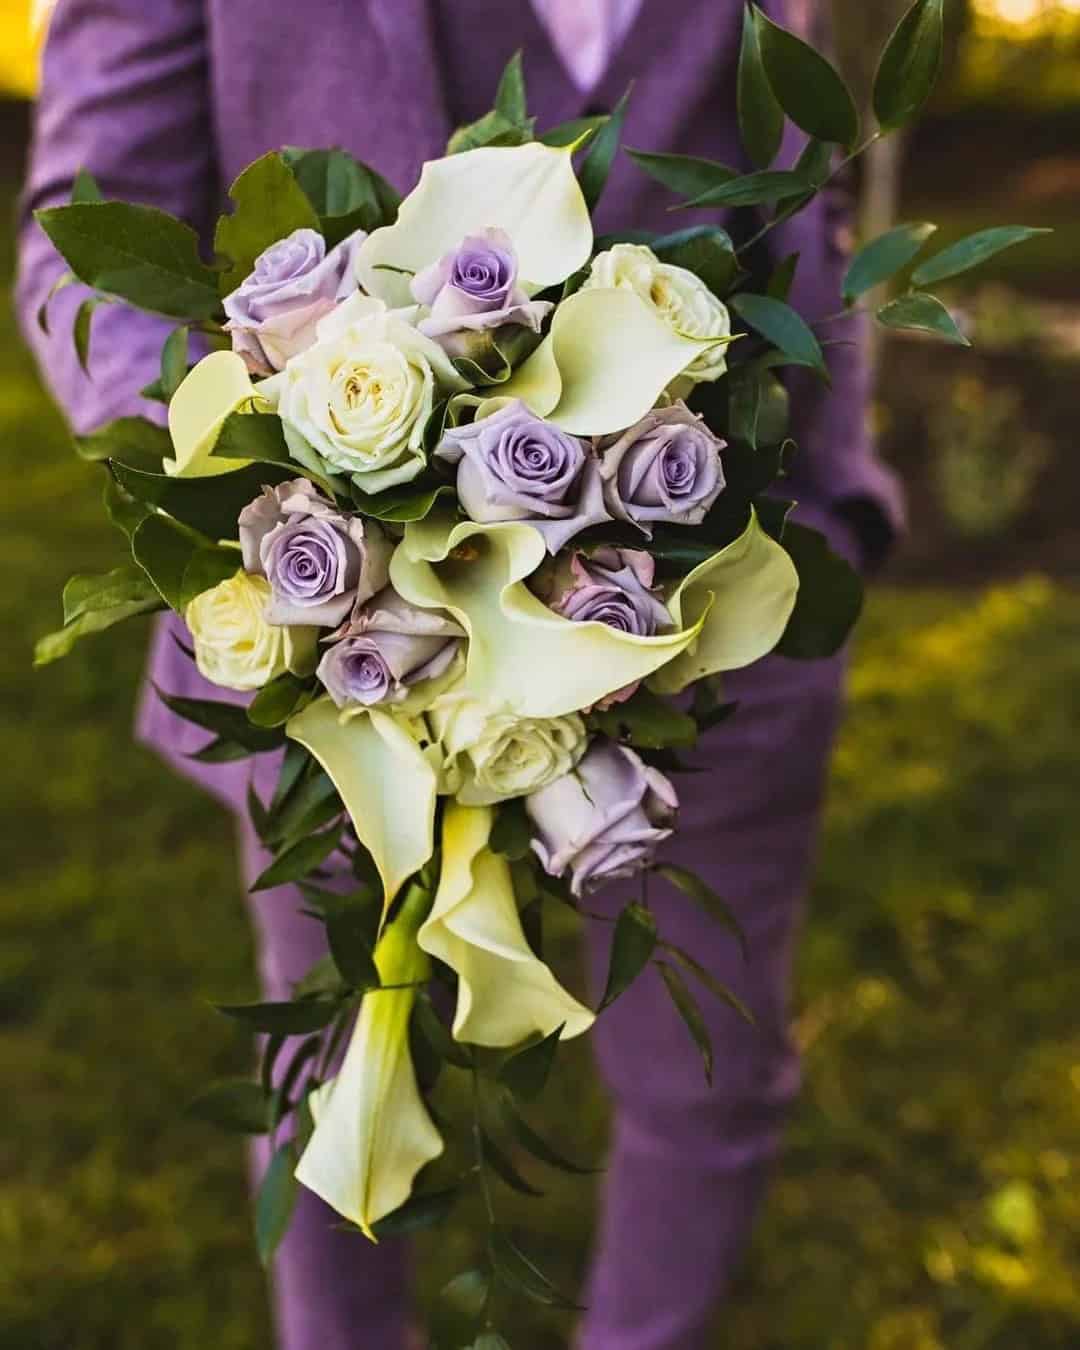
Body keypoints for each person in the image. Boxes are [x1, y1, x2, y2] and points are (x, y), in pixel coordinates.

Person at [17, 2, 904, 1346]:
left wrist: (826, 508)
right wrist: (290, 490)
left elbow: (800, 221)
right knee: (340, 1091)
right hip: (339, 658)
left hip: (718, 634)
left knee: (704, 1084)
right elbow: (82, 254)